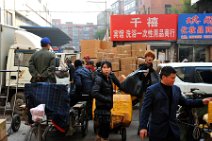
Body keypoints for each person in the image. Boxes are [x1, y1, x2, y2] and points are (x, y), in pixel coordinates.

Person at [139, 66, 212, 141]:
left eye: (174, 78)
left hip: (173, 130)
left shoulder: (176, 89)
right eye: (172, 78)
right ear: (164, 77)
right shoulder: (152, 90)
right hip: (158, 130)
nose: (174, 80)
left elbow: (186, 102)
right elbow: (145, 110)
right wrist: (143, 127)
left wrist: (202, 101)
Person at [137, 50, 159, 134]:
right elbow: (140, 78)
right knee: (143, 110)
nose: (150, 58)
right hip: (144, 92)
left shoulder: (153, 68)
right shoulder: (142, 67)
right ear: (145, 58)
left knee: (152, 110)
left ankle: (149, 129)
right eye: (148, 56)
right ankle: (141, 128)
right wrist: (144, 74)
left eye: (152, 57)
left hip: (152, 92)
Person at [91, 61, 113, 141]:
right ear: (101, 69)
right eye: (104, 67)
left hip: (106, 109)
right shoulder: (99, 79)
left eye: (108, 67)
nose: (106, 69)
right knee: (104, 134)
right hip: (102, 109)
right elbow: (94, 92)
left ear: (111, 69)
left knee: (101, 133)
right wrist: (107, 99)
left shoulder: (108, 78)